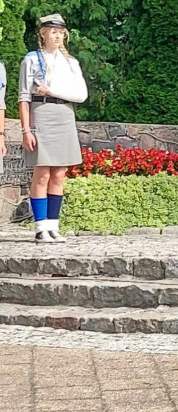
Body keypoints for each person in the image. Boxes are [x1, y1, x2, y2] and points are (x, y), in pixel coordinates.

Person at [18, 14, 89, 243]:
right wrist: (26, 130)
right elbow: (23, 98)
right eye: (53, 31)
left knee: (59, 173)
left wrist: (53, 90)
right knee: (42, 173)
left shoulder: (71, 62)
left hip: (64, 114)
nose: (57, 36)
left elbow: (81, 95)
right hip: (42, 114)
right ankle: (40, 228)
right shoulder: (32, 60)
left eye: (61, 32)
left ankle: (53, 225)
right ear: (42, 33)